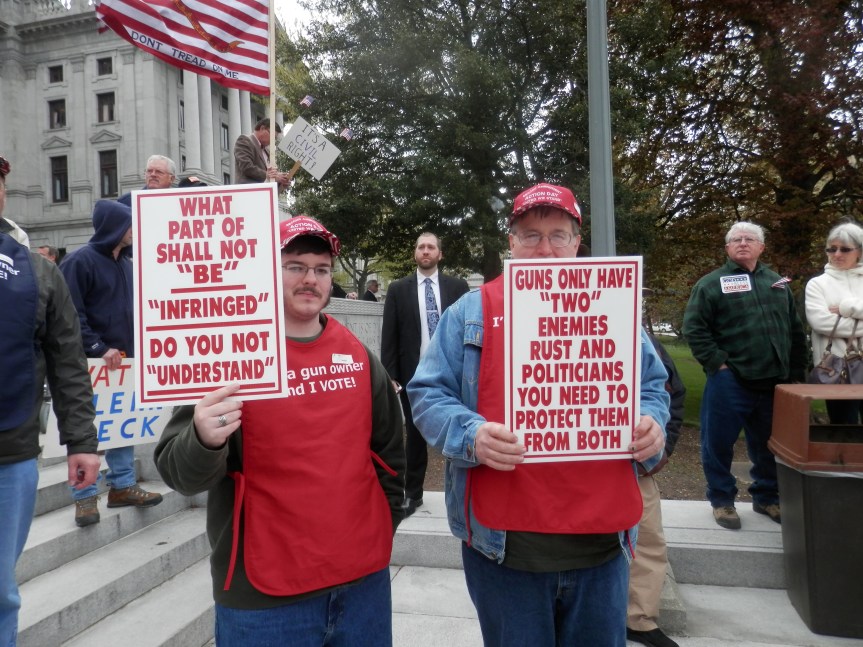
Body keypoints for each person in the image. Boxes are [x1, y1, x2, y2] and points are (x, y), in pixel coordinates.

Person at [408, 183, 670, 646]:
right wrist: (473, 435)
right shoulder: (473, 310)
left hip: (602, 545)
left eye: (558, 234)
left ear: (576, 243)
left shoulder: (614, 305)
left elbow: (652, 384)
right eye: (531, 235)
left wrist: (653, 421)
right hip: (505, 548)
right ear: (511, 242)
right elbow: (427, 393)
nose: (545, 248)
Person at [154, 216, 405, 646]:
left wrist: (383, 523)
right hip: (264, 598)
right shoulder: (230, 354)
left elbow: (391, 457)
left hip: (362, 585)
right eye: (296, 266)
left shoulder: (358, 356)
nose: (311, 279)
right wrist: (202, 436)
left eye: (322, 270)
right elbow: (181, 474)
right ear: (268, 270)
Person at [0, 154, 100, 645]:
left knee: (0, 591)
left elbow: (68, 364)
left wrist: (82, 442)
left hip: (10, 456)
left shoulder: (39, 272)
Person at [683, 222, 807, 530]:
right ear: (727, 248)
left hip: (773, 380)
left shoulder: (778, 283)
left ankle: (766, 497)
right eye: (735, 239)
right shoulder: (711, 284)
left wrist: (794, 373)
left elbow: (795, 330)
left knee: (769, 444)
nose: (742, 243)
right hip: (731, 379)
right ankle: (722, 501)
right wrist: (718, 364)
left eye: (749, 239)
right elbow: (695, 329)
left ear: (761, 247)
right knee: (718, 443)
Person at [60, 200, 163, 527]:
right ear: (114, 228)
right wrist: (98, 347)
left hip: (124, 362)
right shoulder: (79, 262)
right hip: (88, 365)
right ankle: (84, 497)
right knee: (86, 431)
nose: (134, 231)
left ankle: (122, 486)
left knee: (121, 422)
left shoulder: (128, 264)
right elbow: (70, 314)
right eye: (129, 225)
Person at [382, 232, 469, 516]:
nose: (426, 251)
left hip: (453, 372)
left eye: (431, 247)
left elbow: (469, 328)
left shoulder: (458, 287)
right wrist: (390, 373)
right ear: (415, 254)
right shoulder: (398, 289)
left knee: (458, 430)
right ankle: (412, 493)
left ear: (439, 254)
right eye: (421, 247)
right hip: (414, 374)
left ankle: (462, 492)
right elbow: (390, 333)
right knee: (416, 436)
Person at [627, 331, 686, 647]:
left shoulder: (642, 340)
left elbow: (672, 394)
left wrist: (661, 452)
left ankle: (639, 619)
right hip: (576, 469)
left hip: (635, 466)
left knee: (647, 538)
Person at [805, 221, 863, 424]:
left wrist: (847, 308)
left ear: (859, 251)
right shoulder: (817, 284)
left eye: (845, 249)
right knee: (844, 431)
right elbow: (821, 323)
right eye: (832, 248)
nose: (837, 254)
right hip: (837, 370)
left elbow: (835, 324)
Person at [234, 118, 291, 189]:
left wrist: (281, 181)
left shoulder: (266, 152)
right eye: (272, 136)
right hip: (248, 192)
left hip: (263, 195)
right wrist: (268, 175)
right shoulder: (245, 140)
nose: (273, 140)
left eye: (275, 138)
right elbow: (246, 167)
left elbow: (269, 177)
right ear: (262, 128)